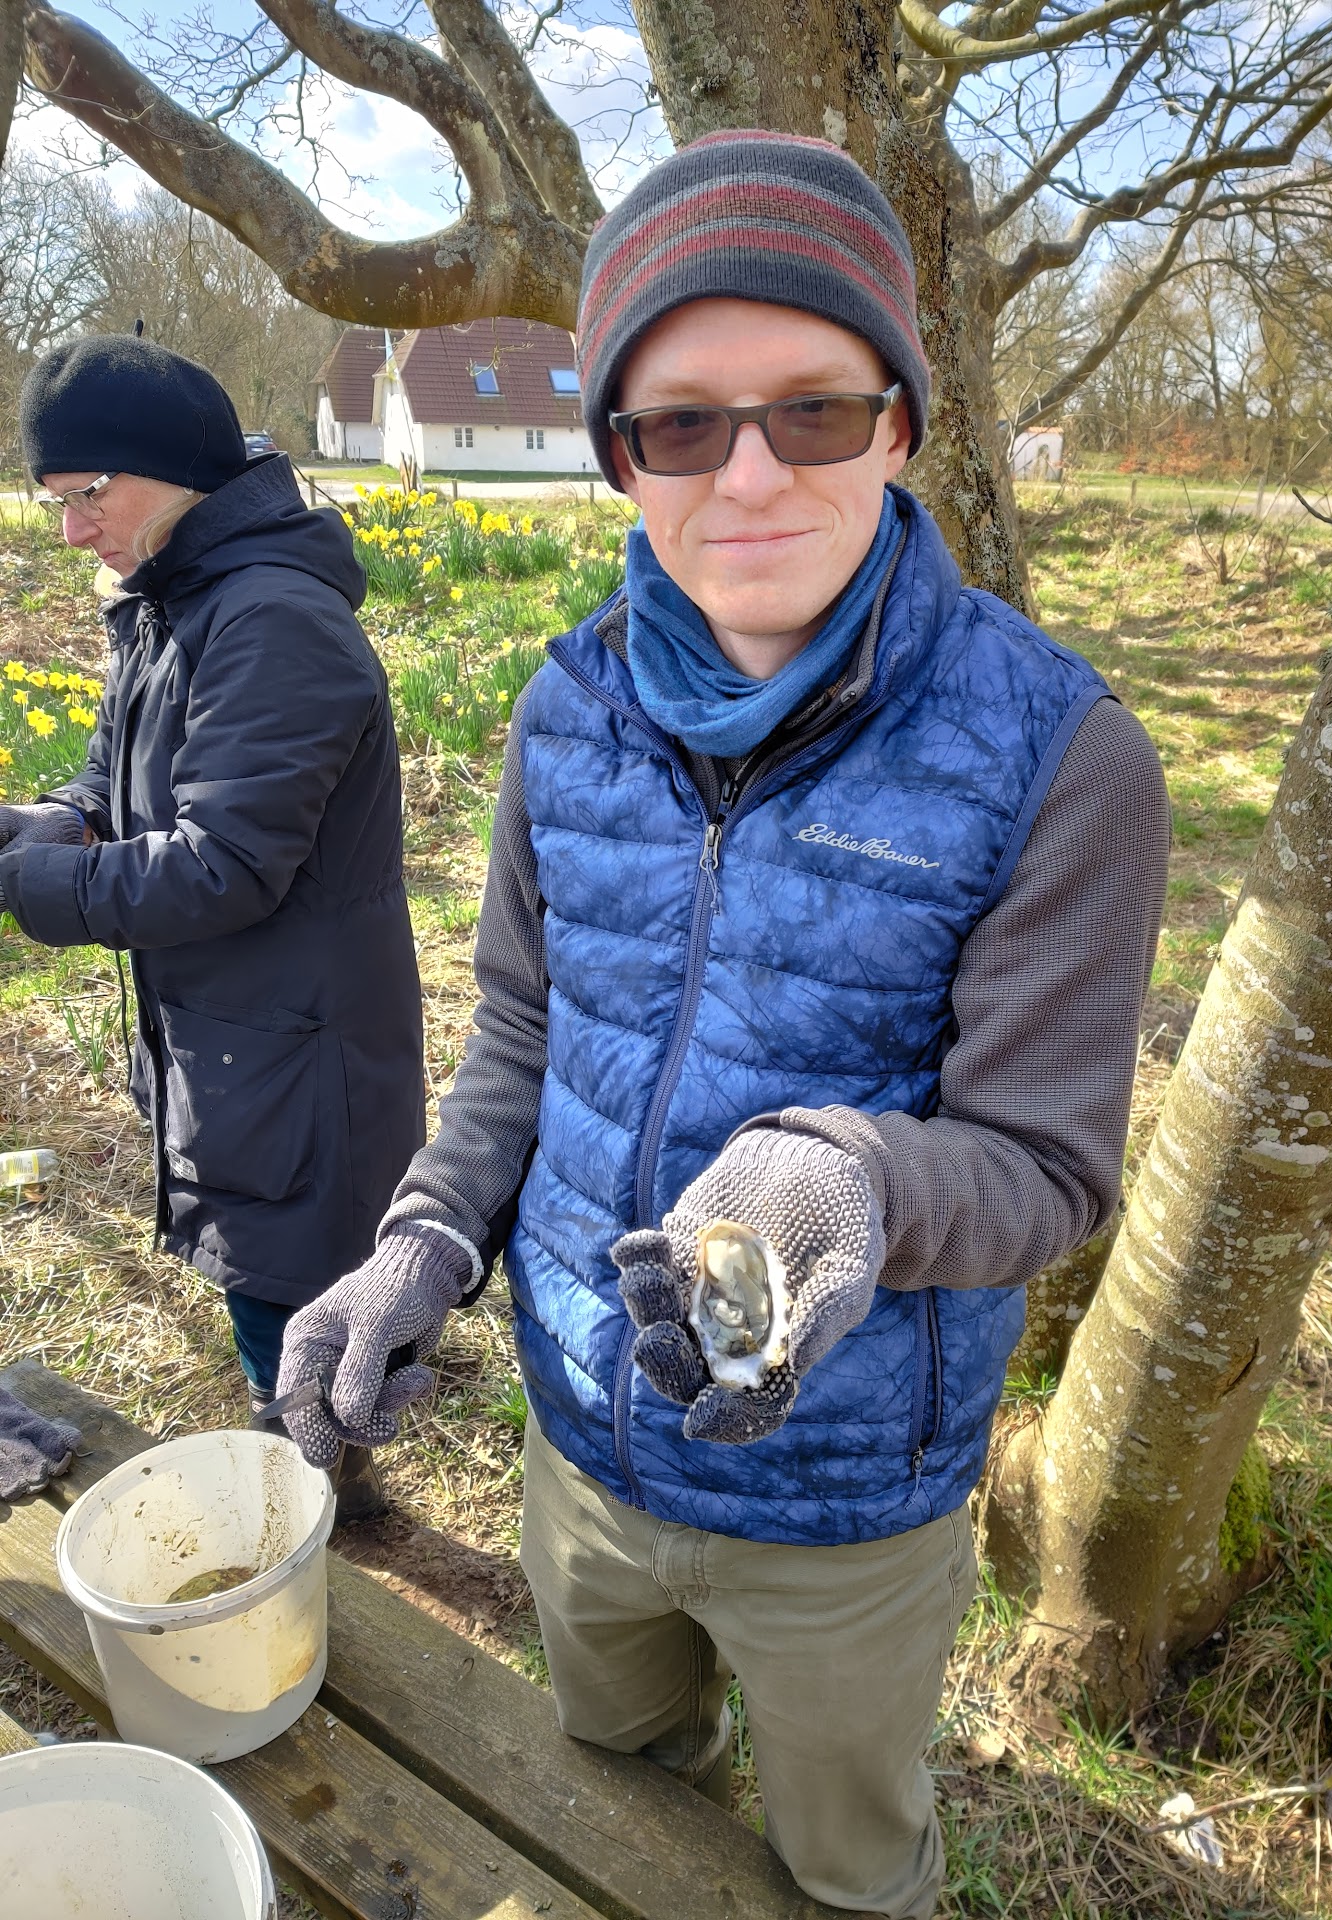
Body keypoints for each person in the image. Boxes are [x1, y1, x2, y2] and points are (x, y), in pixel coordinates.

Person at [275, 132, 1170, 1915]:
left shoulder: (1064, 757)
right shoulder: (564, 710)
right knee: (615, 1810)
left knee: (848, 1871)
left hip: (845, 1498)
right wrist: (426, 1239)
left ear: (901, 424)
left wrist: (852, 1180)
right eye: (681, 426)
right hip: (581, 1445)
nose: (748, 475)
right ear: (620, 456)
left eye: (813, 412)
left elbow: (1051, 1167)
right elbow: (521, 1037)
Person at [0, 335, 425, 1520]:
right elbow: (108, 787)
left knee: (298, 1297)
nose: (72, 530)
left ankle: (330, 1514)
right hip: (235, 1037)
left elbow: (221, 867)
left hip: (302, 1049)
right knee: (266, 1285)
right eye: (55, 502)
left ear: (173, 469)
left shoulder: (271, 621)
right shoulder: (170, 598)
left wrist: (20, 887)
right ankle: (313, 1474)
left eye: (88, 495)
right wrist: (35, 828)